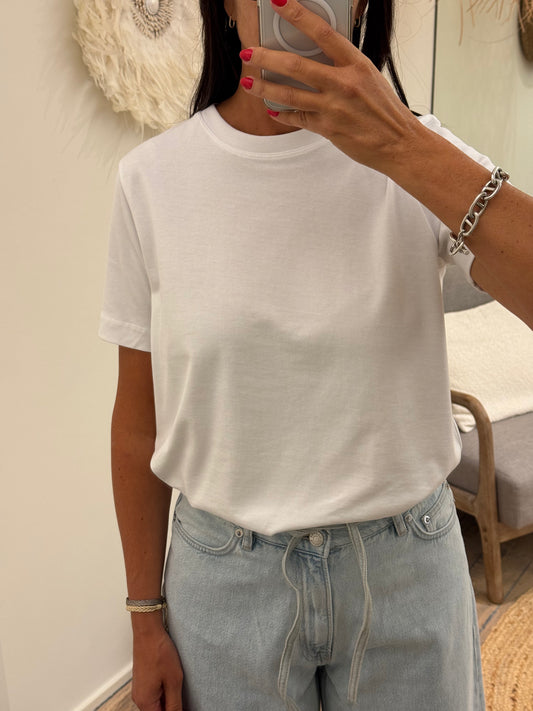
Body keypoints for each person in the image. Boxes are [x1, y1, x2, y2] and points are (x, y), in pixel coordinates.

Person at [98, 1, 533, 710]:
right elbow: (137, 422)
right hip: (226, 580)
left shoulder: (419, 154)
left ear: (360, 4)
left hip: (406, 567)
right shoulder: (151, 180)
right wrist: (144, 616)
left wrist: (403, 145)